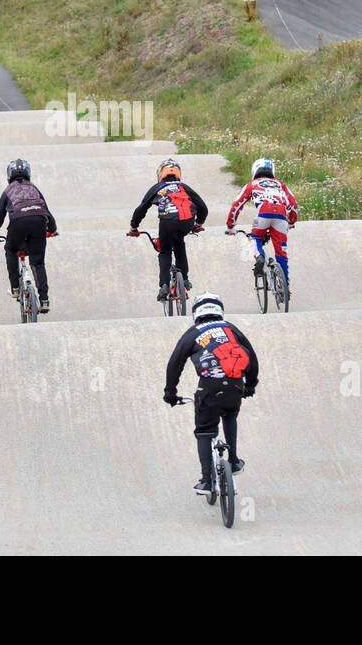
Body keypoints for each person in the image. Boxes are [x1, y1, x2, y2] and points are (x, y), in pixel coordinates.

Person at [164, 292, 258, 495]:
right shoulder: (231, 328)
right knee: (230, 415)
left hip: (209, 389)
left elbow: (175, 364)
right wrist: (250, 385)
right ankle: (233, 461)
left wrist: (170, 393)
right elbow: (251, 356)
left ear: (196, 312)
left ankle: (207, 480)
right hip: (235, 385)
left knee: (205, 431)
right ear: (220, 311)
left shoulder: (192, 333)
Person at [0, 159, 58, 314]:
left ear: (9, 175)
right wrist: (52, 229)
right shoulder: (34, 188)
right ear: (28, 173)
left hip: (18, 220)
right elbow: (47, 211)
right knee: (38, 262)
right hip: (39, 220)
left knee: (11, 250)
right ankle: (44, 300)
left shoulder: (8, 190)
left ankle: (16, 288)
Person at [130, 158, 209, 302]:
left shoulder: (157, 188)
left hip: (167, 222)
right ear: (178, 174)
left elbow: (142, 208)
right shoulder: (184, 187)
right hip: (187, 221)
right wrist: (198, 223)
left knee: (165, 250)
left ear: (160, 174)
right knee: (179, 243)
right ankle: (184, 280)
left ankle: (164, 285)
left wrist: (134, 226)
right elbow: (203, 207)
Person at [226, 157, 299, 289]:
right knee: (281, 252)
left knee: (255, 238)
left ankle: (259, 256)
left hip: (263, 213)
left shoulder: (252, 184)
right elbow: (293, 204)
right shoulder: (281, 184)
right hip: (281, 215)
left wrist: (231, 225)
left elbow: (237, 204)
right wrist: (292, 221)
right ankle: (285, 289)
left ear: (254, 170)